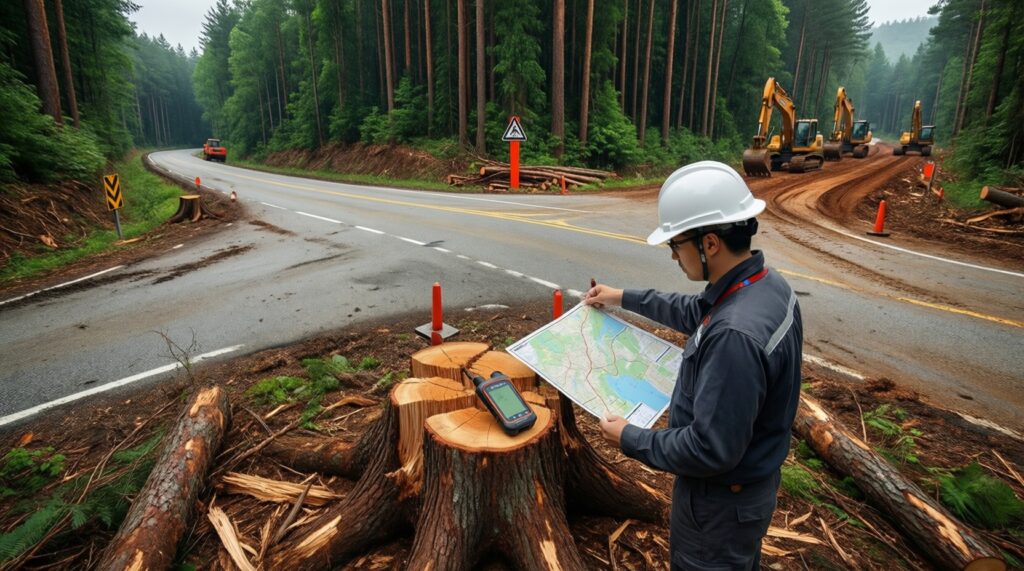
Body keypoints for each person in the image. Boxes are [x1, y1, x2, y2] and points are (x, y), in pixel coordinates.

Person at [585, 160, 803, 570]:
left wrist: (629, 437)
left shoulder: (734, 336)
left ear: (710, 244)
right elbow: (694, 311)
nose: (673, 256)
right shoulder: (763, 286)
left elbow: (709, 449)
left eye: (676, 244)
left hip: (718, 508)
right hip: (744, 498)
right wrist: (620, 296)